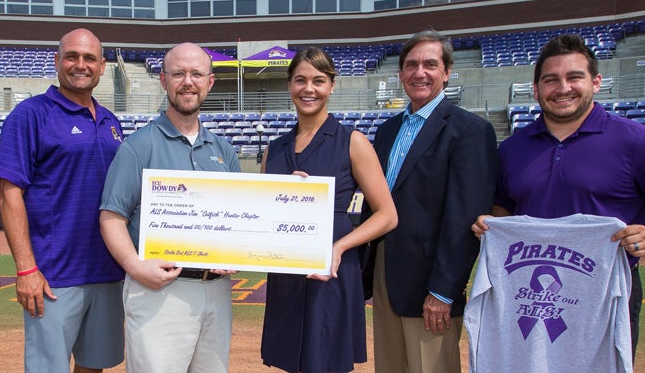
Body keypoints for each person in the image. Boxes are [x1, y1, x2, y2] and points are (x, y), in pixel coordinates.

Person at [472, 33, 645, 358]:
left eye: (574, 77)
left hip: (604, 292)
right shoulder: (514, 148)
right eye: (550, 80)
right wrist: (490, 223)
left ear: (596, 82)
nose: (562, 88)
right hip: (529, 294)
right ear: (536, 89)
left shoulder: (639, 142)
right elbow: (505, 207)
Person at [98, 42, 240, 372]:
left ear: (210, 81)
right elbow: (111, 217)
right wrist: (134, 266)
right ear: (163, 80)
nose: (187, 81)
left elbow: (237, 221)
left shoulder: (223, 150)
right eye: (178, 74)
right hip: (159, 291)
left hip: (216, 292)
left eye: (196, 74)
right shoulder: (139, 145)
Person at [362, 29, 498, 373]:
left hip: (430, 285)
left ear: (447, 72)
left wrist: (443, 291)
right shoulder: (387, 130)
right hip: (386, 276)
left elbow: (463, 218)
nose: (419, 72)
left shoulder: (470, 131)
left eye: (430, 64)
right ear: (400, 73)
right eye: (411, 65)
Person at [0, 28, 125, 373]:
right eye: (72, 56)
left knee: (94, 365)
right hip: (53, 276)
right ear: (57, 61)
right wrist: (26, 269)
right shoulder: (31, 114)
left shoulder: (111, 121)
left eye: (89, 58)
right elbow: (9, 194)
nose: (80, 65)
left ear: (102, 66)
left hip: (107, 270)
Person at [260, 47, 398, 373]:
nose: (309, 89)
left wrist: (339, 247)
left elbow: (387, 215)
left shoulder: (353, 142)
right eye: (300, 80)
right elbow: (263, 214)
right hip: (287, 271)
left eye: (318, 81)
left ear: (332, 86)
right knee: (291, 359)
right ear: (290, 85)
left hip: (332, 270)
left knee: (326, 361)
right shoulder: (274, 149)